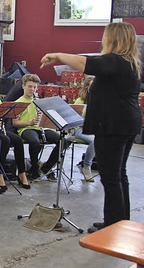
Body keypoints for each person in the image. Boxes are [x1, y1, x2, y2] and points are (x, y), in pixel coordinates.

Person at [40, 22, 142, 233]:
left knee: (111, 176)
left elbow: (85, 63)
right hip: (126, 123)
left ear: (113, 39)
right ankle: (119, 221)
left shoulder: (115, 61)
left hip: (113, 126)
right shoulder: (129, 63)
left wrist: (57, 55)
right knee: (119, 174)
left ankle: (113, 226)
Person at [12, 74, 64, 182]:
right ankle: (34, 169)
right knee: (34, 142)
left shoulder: (38, 101)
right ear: (23, 86)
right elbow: (15, 123)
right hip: (26, 129)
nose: (32, 89)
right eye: (30, 86)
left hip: (40, 128)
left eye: (35, 87)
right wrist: (30, 122)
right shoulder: (18, 102)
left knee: (63, 140)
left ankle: (47, 167)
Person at [73, 75, 96, 182]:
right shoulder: (80, 101)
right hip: (80, 128)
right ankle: (86, 166)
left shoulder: (99, 100)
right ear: (86, 87)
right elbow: (75, 120)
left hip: (94, 129)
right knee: (95, 141)